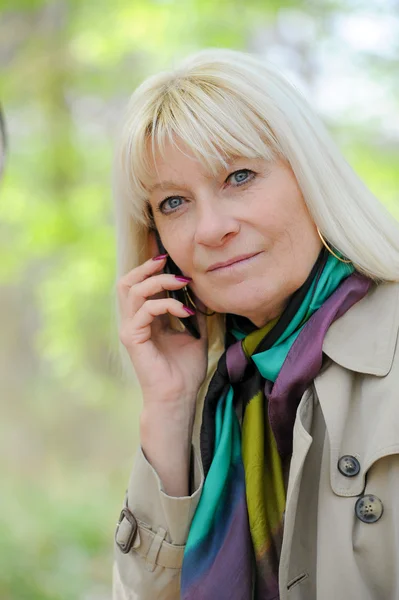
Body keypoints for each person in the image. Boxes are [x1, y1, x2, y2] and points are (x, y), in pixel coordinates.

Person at [111, 48, 399, 600]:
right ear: (157, 248)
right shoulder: (214, 397)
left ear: (312, 178)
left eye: (239, 175)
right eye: (174, 203)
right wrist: (168, 412)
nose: (211, 228)